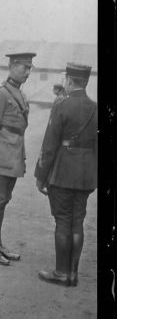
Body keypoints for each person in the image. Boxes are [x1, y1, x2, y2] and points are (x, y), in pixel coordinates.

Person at [35, 63, 97, 287]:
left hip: (62, 173)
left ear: (70, 80)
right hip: (85, 175)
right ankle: (73, 274)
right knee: (77, 221)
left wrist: (40, 175)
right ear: (86, 82)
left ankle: (61, 273)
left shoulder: (61, 105)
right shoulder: (96, 108)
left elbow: (49, 145)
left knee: (62, 220)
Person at [0, 52, 36, 266]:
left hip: (12, 156)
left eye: (30, 68)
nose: (27, 72)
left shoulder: (18, 93)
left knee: (2, 202)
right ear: (11, 66)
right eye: (24, 68)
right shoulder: (0, 94)